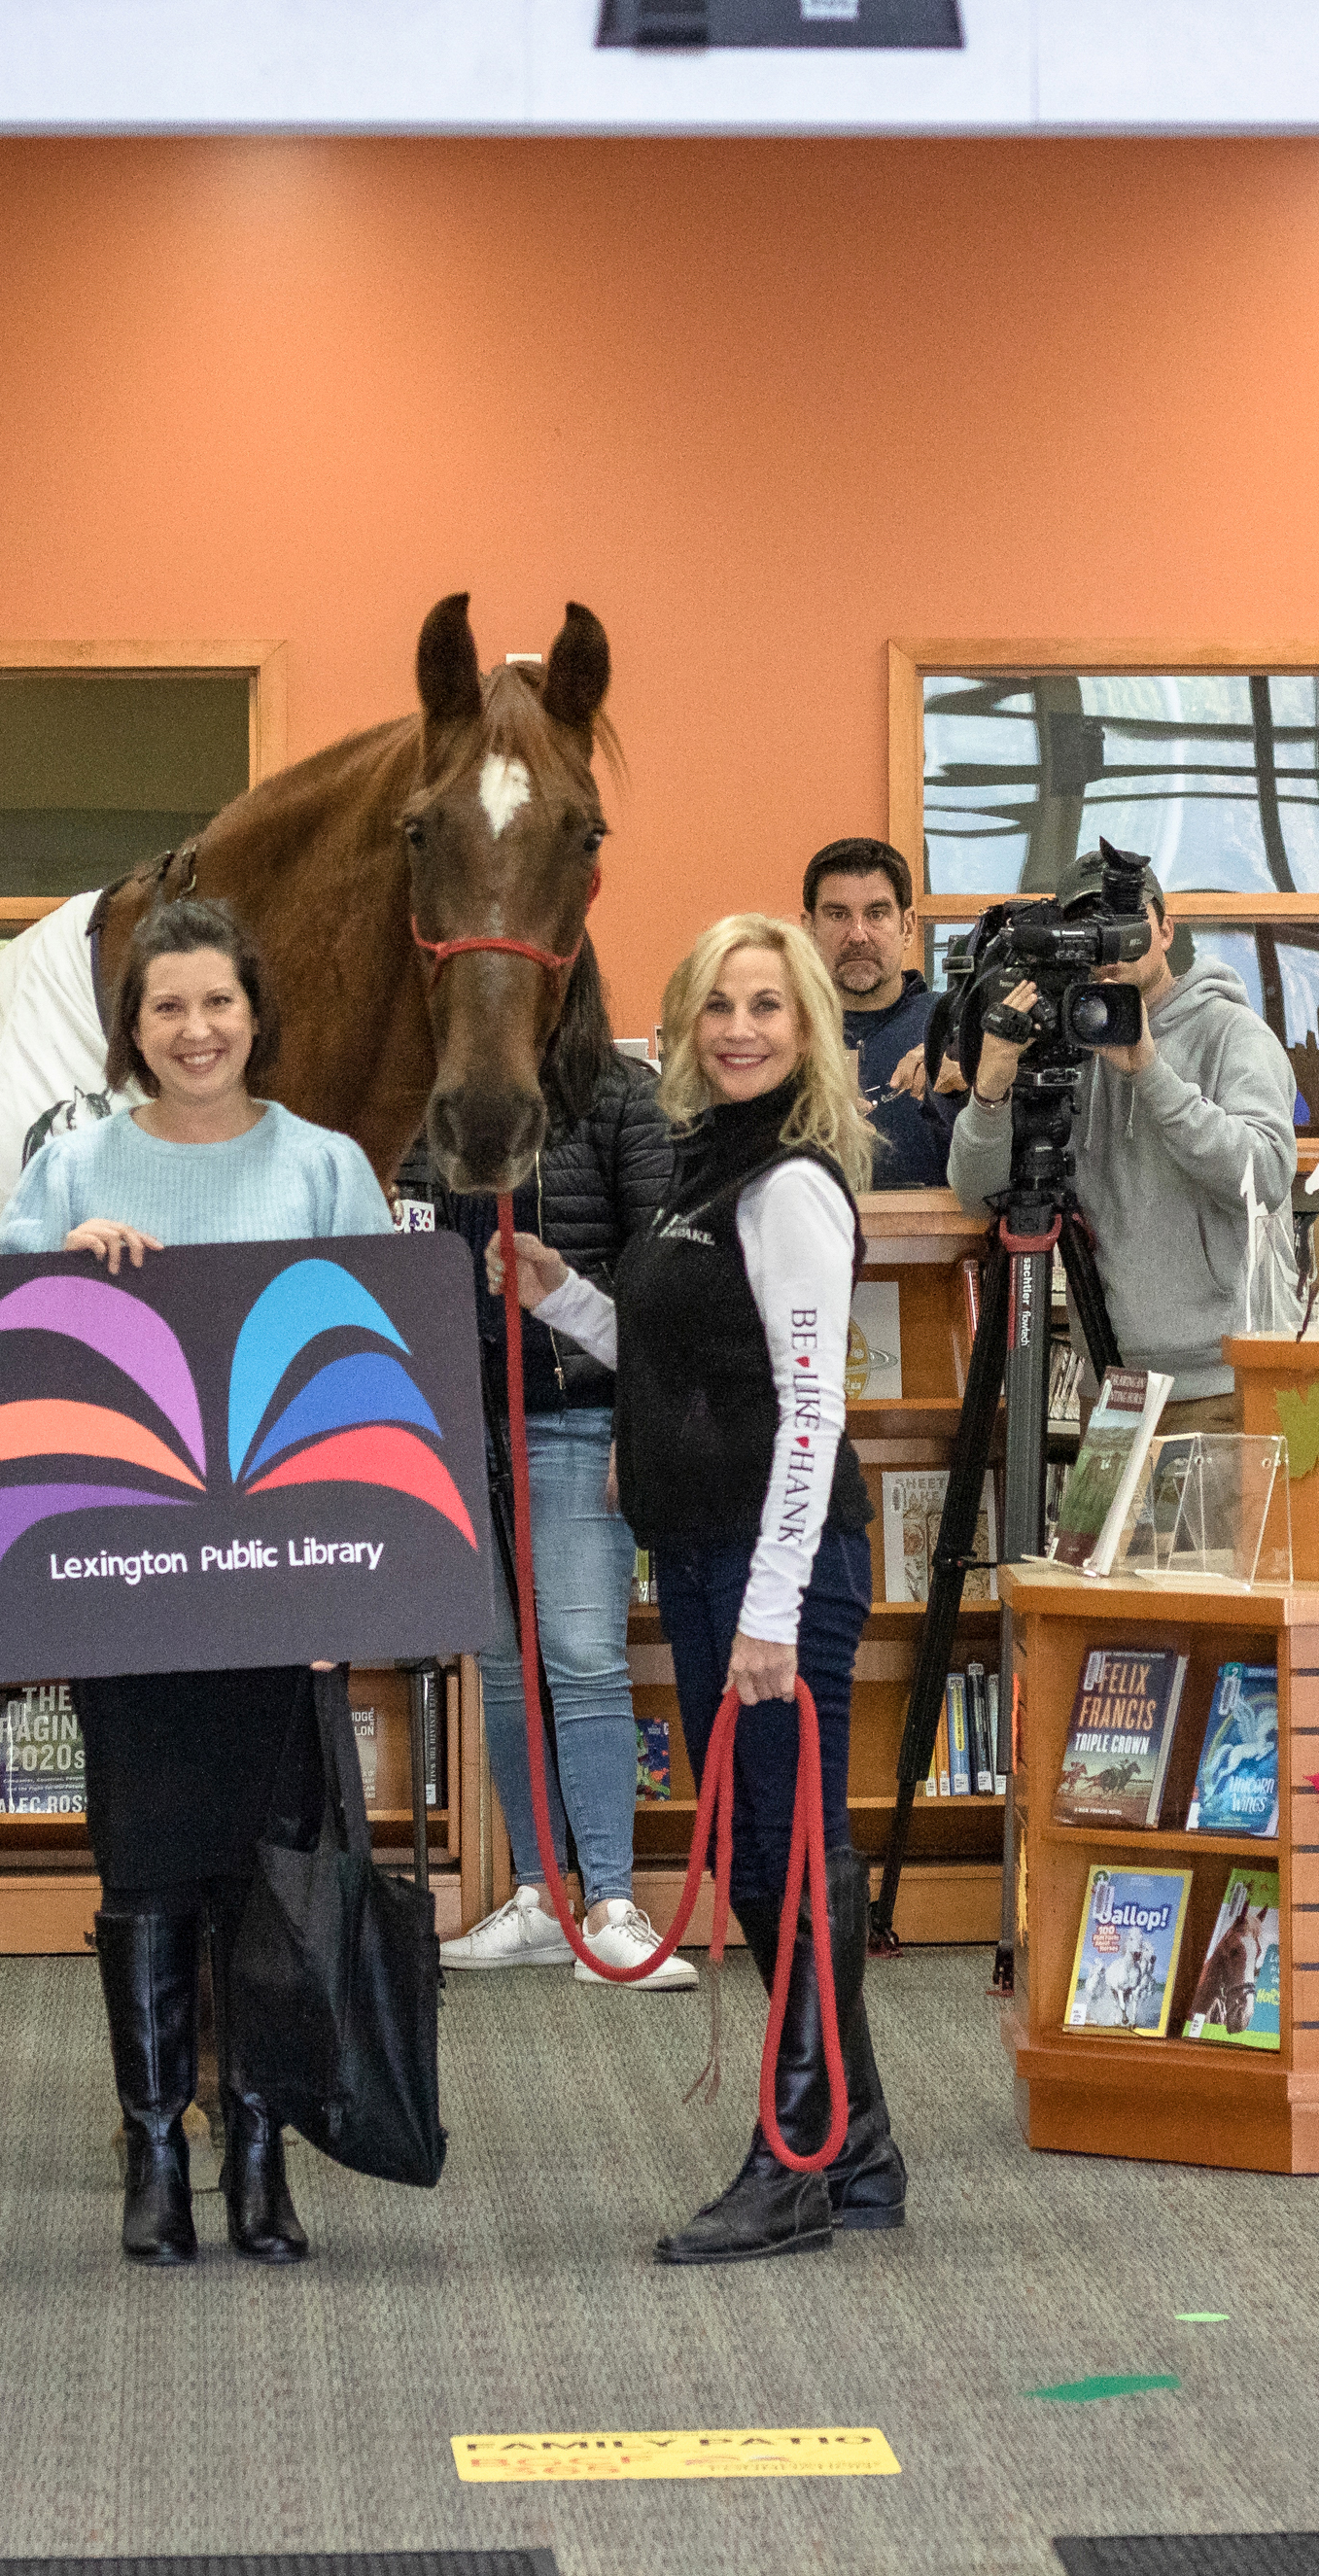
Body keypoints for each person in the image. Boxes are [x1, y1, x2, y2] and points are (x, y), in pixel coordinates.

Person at [486, 913, 909, 2264]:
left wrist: (776, 1607)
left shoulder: (789, 1184)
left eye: (767, 1008)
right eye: (717, 1004)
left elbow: (809, 1405)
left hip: (779, 1564)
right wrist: (562, 1296)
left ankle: (792, 2160)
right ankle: (858, 2147)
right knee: (775, 1848)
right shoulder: (700, 1170)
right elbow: (673, 1352)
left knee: (781, 1858)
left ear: (809, 1033)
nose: (738, 1027)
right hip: (720, 1554)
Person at [0, 895, 393, 2268]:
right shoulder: (72, 1167)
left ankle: (263, 2156)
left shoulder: (328, 1165)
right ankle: (155, 2149)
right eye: (167, 1006)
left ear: (255, 1014)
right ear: (135, 1029)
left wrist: (360, 1585)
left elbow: (377, 1376)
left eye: (217, 1001)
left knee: (269, 1880)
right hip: (130, 1588)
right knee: (146, 1875)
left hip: (279, 1598)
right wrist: (64, 1272)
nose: (196, 1027)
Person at [400, 1042, 694, 1990]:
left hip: (577, 1412)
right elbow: (400, 1236)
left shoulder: (617, 1090)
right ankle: (539, 1898)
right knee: (498, 1663)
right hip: (456, 1421)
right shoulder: (427, 1091)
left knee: (582, 1655)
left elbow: (659, 1264)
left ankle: (609, 1904)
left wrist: (640, 1412)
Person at [946, 862, 1299, 1432]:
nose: (1110, 944)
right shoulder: (1065, 1045)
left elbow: (1264, 1176)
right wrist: (990, 1090)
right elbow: (977, 1194)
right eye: (1089, 926)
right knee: (1107, 1528)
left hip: (1228, 1380)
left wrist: (1148, 1071)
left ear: (1166, 930)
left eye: (1128, 923)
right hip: (1115, 1386)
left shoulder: (1232, 1034)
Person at [801, 836, 953, 1191]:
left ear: (908, 927)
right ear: (808, 929)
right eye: (838, 915)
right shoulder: (779, 1037)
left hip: (941, 1243)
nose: (857, 935)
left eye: (877, 913)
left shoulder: (954, 1026)